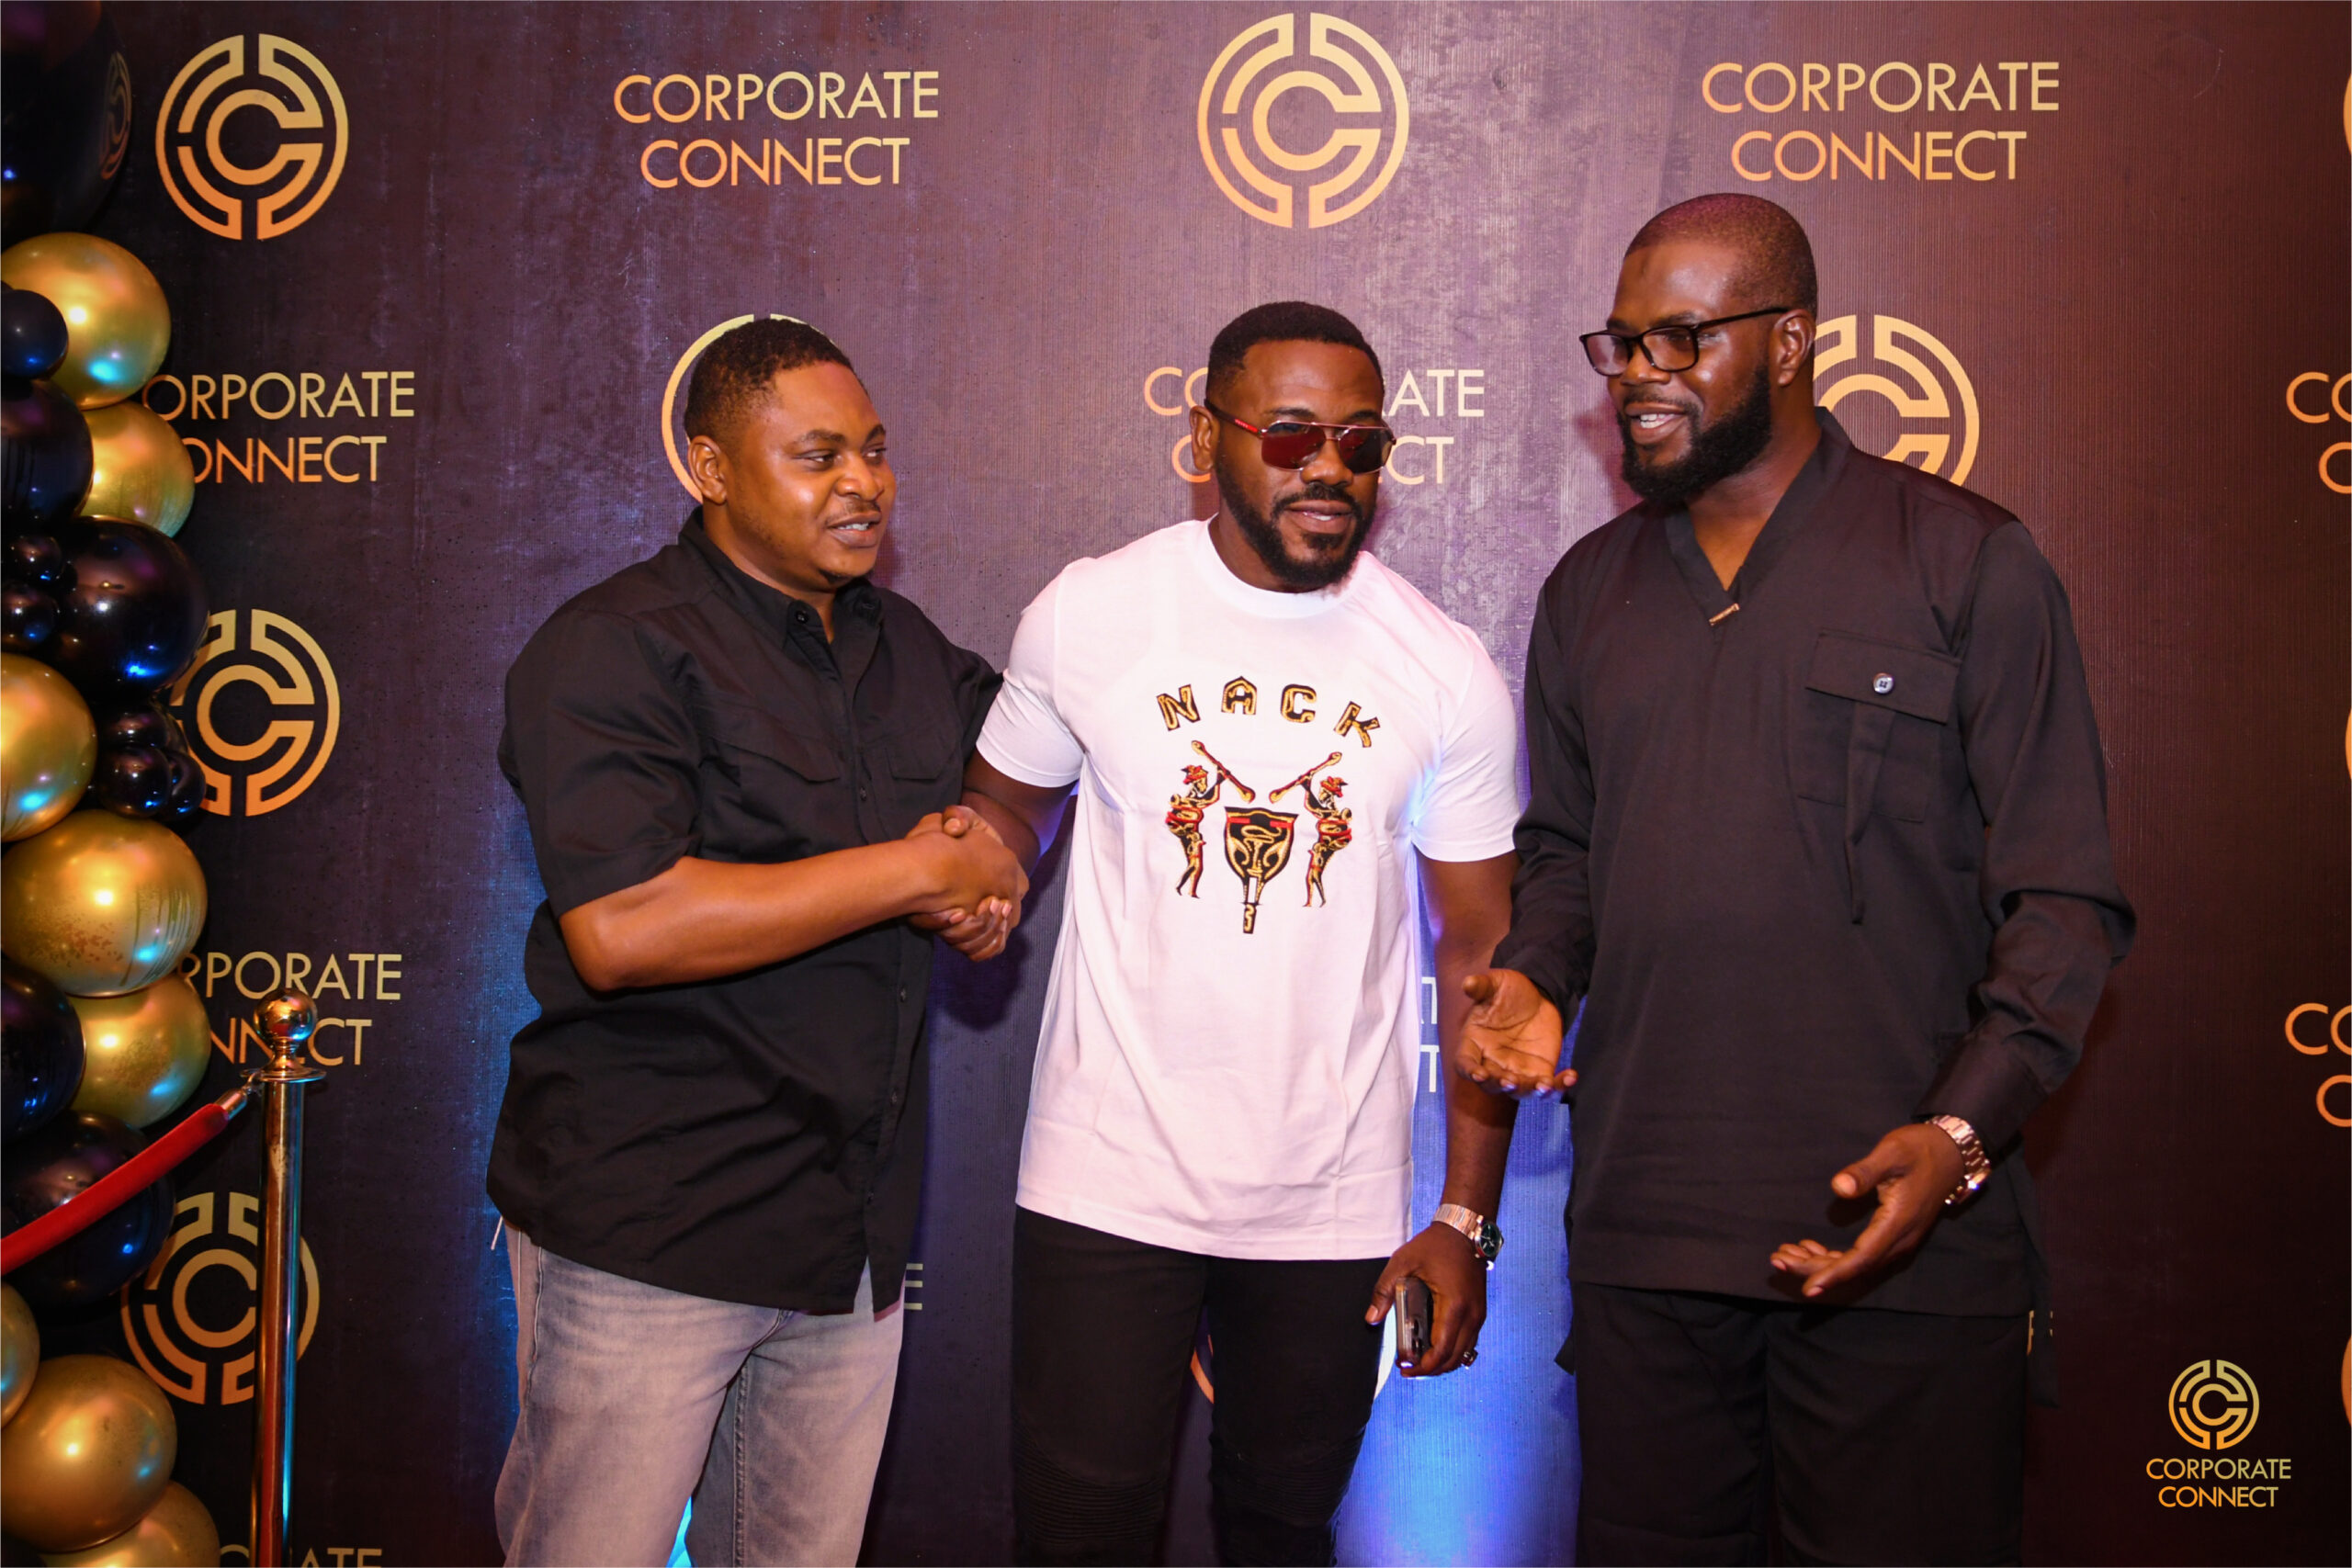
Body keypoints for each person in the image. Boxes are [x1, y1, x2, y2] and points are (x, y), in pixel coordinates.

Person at [1460, 194, 2133, 1565]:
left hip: (1900, 1244)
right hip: (1649, 1239)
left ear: (1790, 341)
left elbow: (2065, 903)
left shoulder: (1963, 559)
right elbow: (1570, 852)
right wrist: (1535, 970)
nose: (1638, 374)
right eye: (1622, 343)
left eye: (1681, 339)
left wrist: (1959, 1137)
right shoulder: (1588, 593)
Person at [960, 301, 1527, 1567]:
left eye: (1360, 443)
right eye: (1290, 436)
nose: (1329, 468)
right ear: (1207, 434)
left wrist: (1463, 1218)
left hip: (1331, 1204)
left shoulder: (1444, 668)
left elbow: (1481, 954)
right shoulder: (1091, 613)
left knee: (1282, 1537)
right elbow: (1003, 817)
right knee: (1078, 1541)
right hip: (1106, 1181)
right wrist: (974, 879)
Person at [489, 318, 1025, 1567]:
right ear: (712, 468)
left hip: (847, 1238)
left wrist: (988, 875)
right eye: (818, 455)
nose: (864, 483)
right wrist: (916, 872)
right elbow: (624, 928)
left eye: (875, 451)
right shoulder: (614, 645)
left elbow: (1009, 791)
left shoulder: (908, 648)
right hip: (651, 1230)